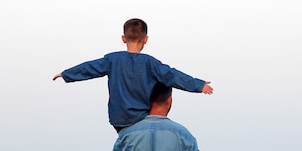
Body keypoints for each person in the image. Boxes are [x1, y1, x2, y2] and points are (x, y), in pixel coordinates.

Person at [53, 18, 213, 132]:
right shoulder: (150, 63)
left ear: (123, 39)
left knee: (128, 143)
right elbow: (172, 75)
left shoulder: (112, 59)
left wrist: (66, 74)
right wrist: (198, 85)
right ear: (146, 39)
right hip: (141, 118)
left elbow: (89, 68)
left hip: (118, 119)